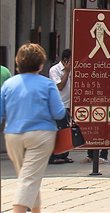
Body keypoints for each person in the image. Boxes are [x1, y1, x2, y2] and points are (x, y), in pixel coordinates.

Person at [1, 43, 66, 213]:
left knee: (28, 176)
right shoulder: (47, 85)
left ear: (18, 63)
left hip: (13, 135)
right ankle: (18, 210)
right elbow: (59, 113)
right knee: (29, 177)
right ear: (41, 64)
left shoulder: (8, 85)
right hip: (41, 135)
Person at [48, 49, 74, 164]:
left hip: (70, 104)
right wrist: (67, 72)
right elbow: (60, 86)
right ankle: (54, 155)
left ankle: (64, 154)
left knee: (67, 131)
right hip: (60, 104)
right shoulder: (54, 70)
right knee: (59, 130)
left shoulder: (74, 69)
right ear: (65, 60)